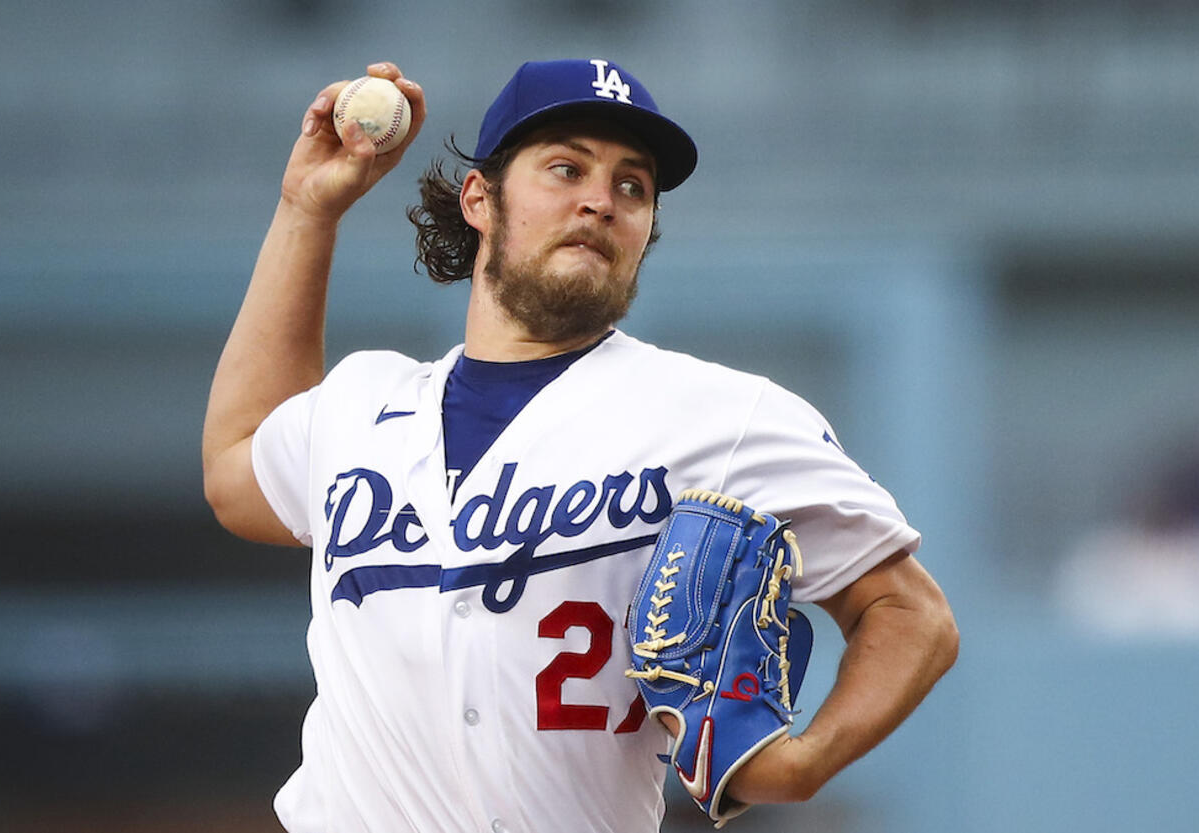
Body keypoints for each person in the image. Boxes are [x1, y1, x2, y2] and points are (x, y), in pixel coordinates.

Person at [202, 58, 958, 833]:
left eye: (633, 186)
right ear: (479, 199)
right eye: (566, 168)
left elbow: (911, 613)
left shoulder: (721, 417)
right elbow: (236, 467)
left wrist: (802, 764)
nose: (600, 200)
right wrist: (306, 210)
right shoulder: (362, 404)